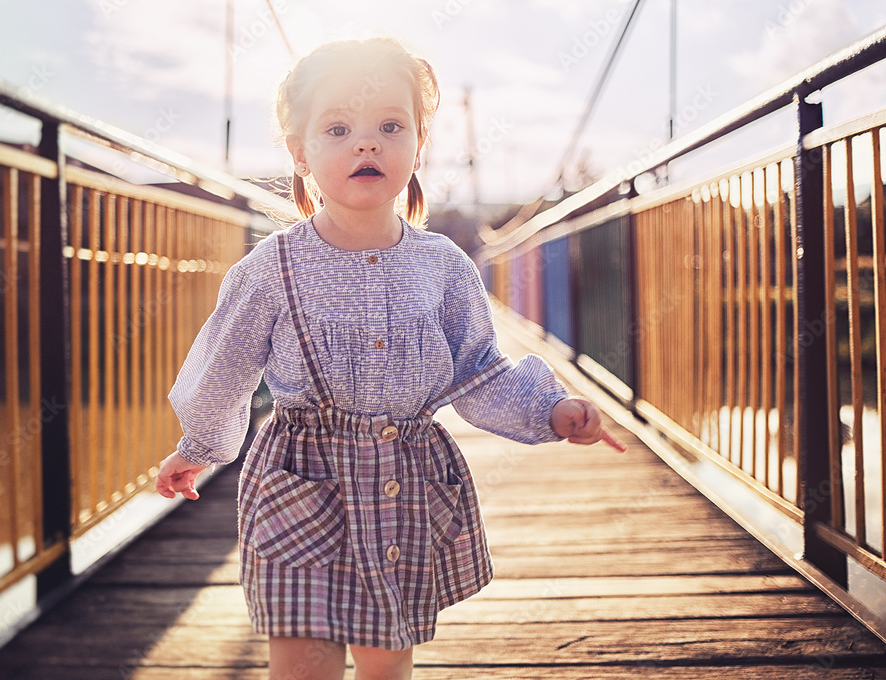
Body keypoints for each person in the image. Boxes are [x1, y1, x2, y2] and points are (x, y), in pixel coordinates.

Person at [156, 37, 626, 680]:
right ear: (301, 153)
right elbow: (225, 364)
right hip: (301, 478)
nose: (367, 143)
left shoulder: (442, 268)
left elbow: (479, 369)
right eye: (339, 128)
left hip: (401, 480)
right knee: (304, 661)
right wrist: (201, 443)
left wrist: (552, 409)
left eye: (389, 126)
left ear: (417, 144)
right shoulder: (273, 268)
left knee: (385, 659)